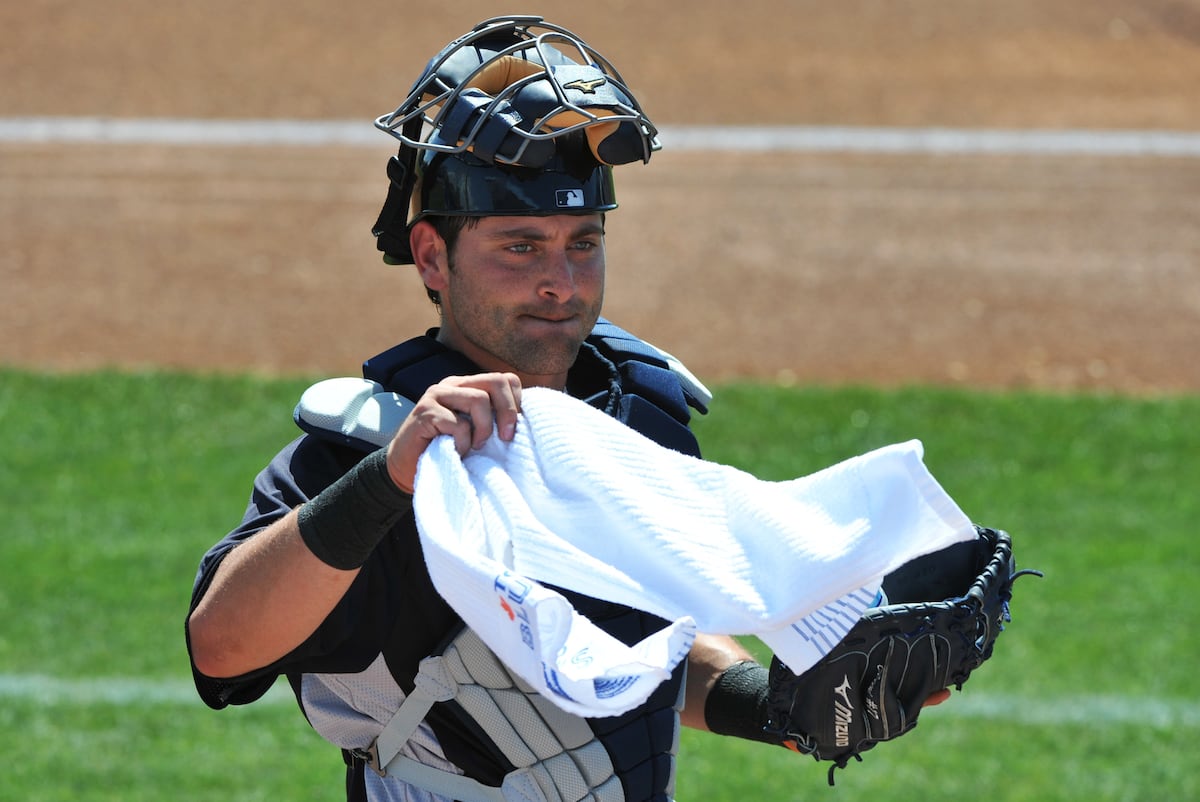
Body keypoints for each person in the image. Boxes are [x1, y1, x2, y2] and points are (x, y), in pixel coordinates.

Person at [186, 16, 948, 802]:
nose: (563, 283)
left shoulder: (631, 413)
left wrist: (777, 706)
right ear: (432, 256)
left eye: (582, 243)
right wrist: (390, 480)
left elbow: (630, 642)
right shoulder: (369, 449)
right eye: (521, 247)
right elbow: (221, 647)